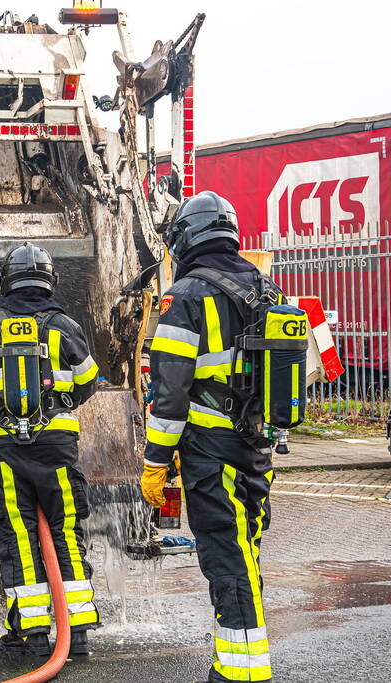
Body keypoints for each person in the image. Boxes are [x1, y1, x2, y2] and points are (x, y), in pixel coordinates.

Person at [142, 191, 278, 683]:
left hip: (210, 452)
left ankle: (242, 671)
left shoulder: (187, 297)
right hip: (256, 446)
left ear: (185, 237)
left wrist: (156, 460)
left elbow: (170, 393)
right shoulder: (266, 288)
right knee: (244, 549)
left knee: (226, 555)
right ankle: (238, 658)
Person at [0, 243, 101, 657]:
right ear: (49, 280)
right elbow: (89, 378)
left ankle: (34, 636)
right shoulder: (64, 325)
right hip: (56, 446)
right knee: (66, 534)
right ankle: (76, 636)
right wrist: (61, 403)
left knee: (18, 538)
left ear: (6, 280)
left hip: (1, 446)